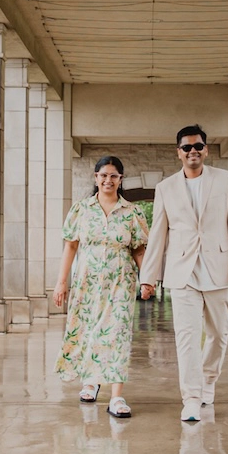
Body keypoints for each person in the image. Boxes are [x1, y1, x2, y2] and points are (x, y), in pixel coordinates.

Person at [138, 125, 228, 422]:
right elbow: (158, 235)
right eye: (186, 147)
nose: (193, 152)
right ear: (179, 153)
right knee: (186, 338)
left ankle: (208, 382)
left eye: (198, 146)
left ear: (206, 150)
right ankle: (190, 398)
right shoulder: (166, 188)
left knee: (218, 334)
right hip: (182, 273)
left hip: (219, 269)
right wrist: (148, 278)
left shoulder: (224, 180)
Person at [53, 156, 149, 418]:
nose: (108, 180)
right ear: (96, 178)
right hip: (87, 281)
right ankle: (91, 381)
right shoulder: (81, 209)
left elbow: (139, 250)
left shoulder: (132, 212)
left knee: (117, 334)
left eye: (114, 176)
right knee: (88, 330)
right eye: (103, 175)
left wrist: (147, 279)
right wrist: (62, 283)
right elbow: (70, 246)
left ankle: (116, 397)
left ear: (120, 179)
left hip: (121, 281)